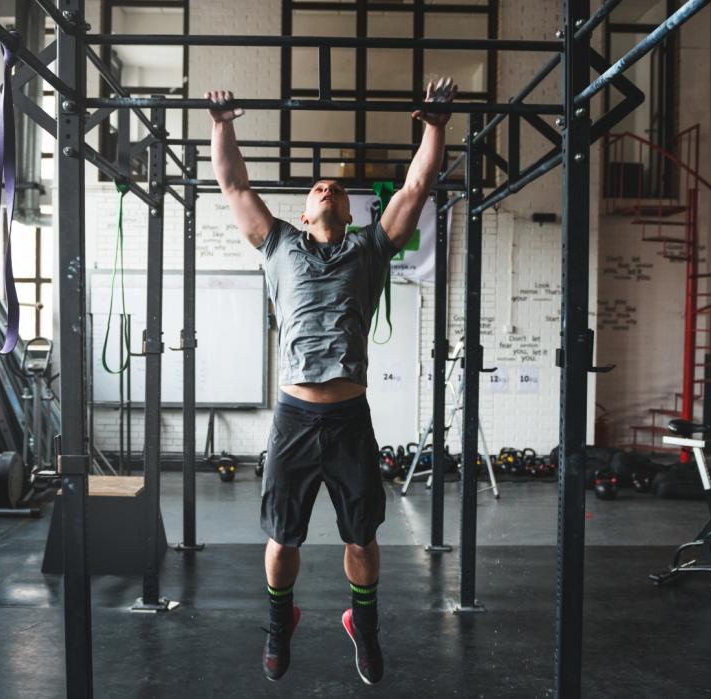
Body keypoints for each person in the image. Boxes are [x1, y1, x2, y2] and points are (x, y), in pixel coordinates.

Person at [206, 77, 458, 685]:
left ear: (350, 211)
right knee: (282, 539)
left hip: (348, 417)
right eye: (318, 187)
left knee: (362, 537)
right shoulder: (279, 246)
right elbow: (234, 184)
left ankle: (363, 628)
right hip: (294, 417)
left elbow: (419, 185)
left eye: (337, 189)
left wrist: (436, 125)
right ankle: (279, 622)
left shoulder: (372, 249)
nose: (326, 187)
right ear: (304, 211)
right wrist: (221, 125)